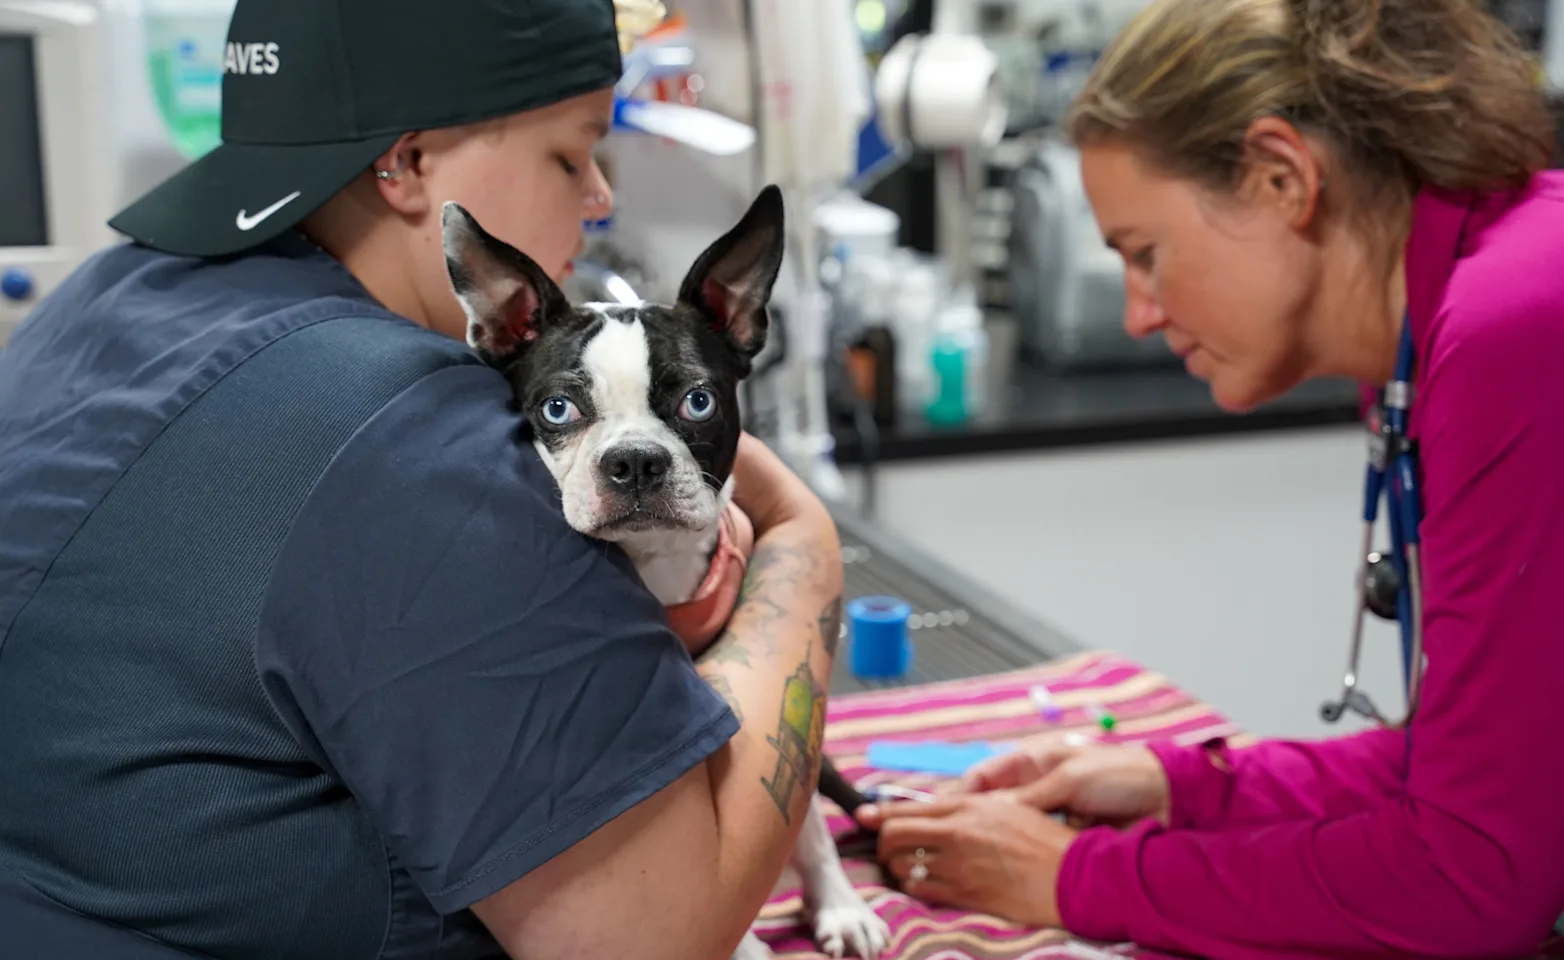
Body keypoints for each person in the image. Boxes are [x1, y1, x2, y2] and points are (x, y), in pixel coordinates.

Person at [0, 1, 840, 958]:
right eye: (572, 154)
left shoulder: (110, 296)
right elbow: (656, 935)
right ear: (407, 165)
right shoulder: (417, 442)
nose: (599, 195)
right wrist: (806, 554)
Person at [856, 0, 1564, 956]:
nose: (1140, 315)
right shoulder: (1419, 350)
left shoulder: (1514, 323)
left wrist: (1073, 880)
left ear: (1281, 178)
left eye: (1147, 256)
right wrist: (1185, 786)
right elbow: (1478, 774)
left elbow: (1475, 873)